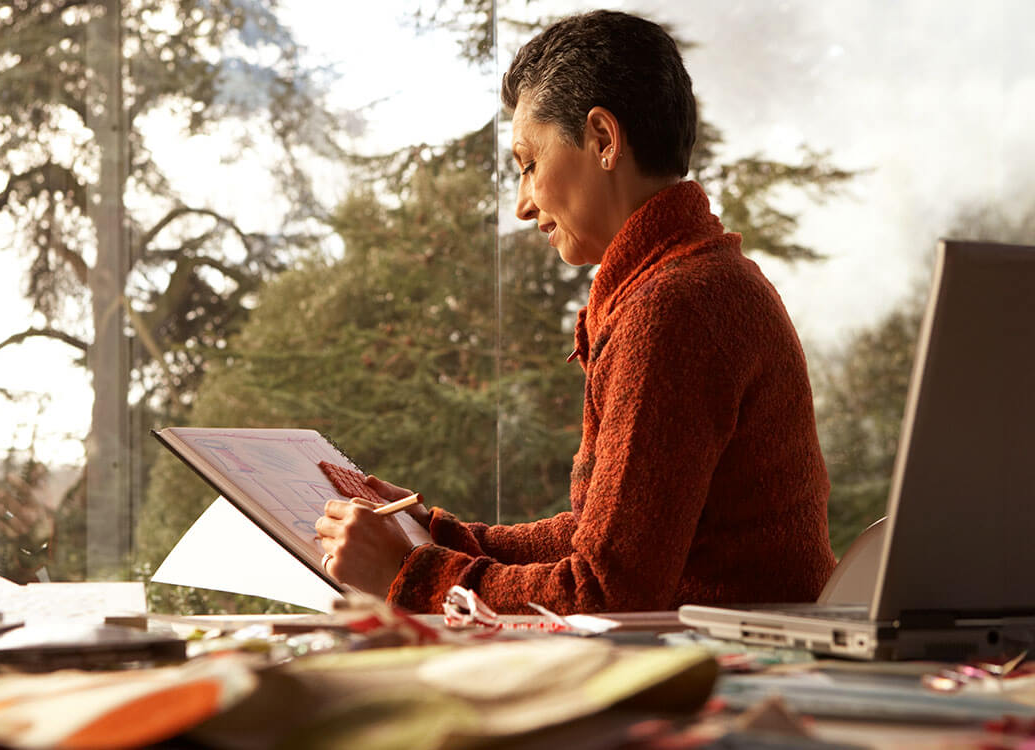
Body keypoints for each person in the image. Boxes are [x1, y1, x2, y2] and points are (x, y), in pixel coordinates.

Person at [315, 10, 836, 614]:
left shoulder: (672, 308)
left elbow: (605, 590)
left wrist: (409, 573)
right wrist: (441, 537)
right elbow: (608, 537)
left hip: (722, 664)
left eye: (529, 165)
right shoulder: (700, 281)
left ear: (604, 140)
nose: (521, 205)